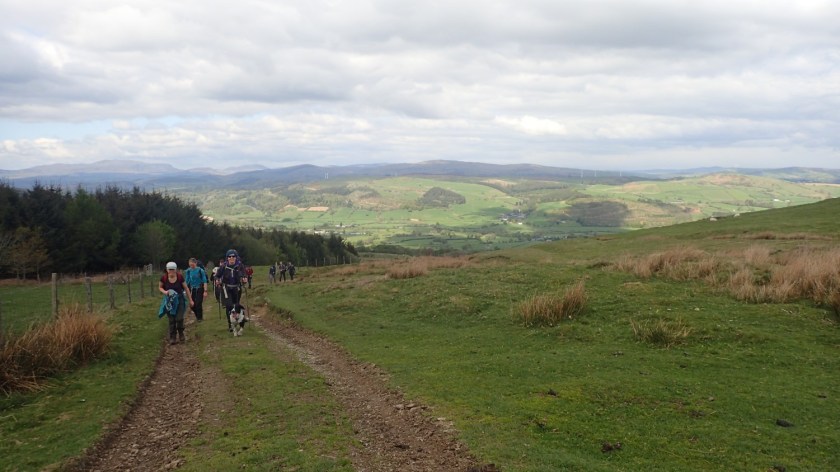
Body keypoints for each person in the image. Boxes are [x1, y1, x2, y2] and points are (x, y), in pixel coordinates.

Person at [159, 261, 194, 344]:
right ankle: (172, 337)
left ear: (175, 270)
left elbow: (186, 288)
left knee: (179, 318)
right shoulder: (164, 278)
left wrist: (190, 300)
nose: (171, 271)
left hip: (179, 300)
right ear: (167, 270)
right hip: (169, 301)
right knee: (171, 320)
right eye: (170, 269)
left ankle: (181, 333)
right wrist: (165, 292)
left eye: (173, 269)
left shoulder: (180, 277)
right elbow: (160, 287)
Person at [216, 249, 247, 332]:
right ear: (227, 258)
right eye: (229, 256)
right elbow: (217, 275)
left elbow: (244, 274)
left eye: (233, 256)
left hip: (237, 288)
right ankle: (230, 324)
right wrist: (218, 280)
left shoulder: (240, 265)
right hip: (226, 288)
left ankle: (239, 320)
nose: (231, 258)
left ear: (236, 257)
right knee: (229, 306)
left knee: (236, 305)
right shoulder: (224, 266)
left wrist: (244, 279)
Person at [184, 258, 209, 322]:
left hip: (200, 288)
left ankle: (200, 318)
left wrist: (205, 291)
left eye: (192, 265)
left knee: (198, 303)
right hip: (192, 289)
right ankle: (197, 315)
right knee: (192, 305)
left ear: (196, 263)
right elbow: (186, 281)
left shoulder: (200, 270)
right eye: (190, 265)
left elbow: (204, 281)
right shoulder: (188, 271)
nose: (191, 266)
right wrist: (184, 289)